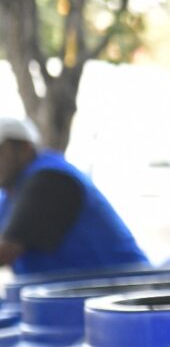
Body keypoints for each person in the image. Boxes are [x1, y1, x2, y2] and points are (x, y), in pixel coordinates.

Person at [0, 116, 149, 275]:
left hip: (122, 286)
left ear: (25, 148)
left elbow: (6, 251)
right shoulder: (10, 195)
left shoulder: (50, 179)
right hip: (73, 291)